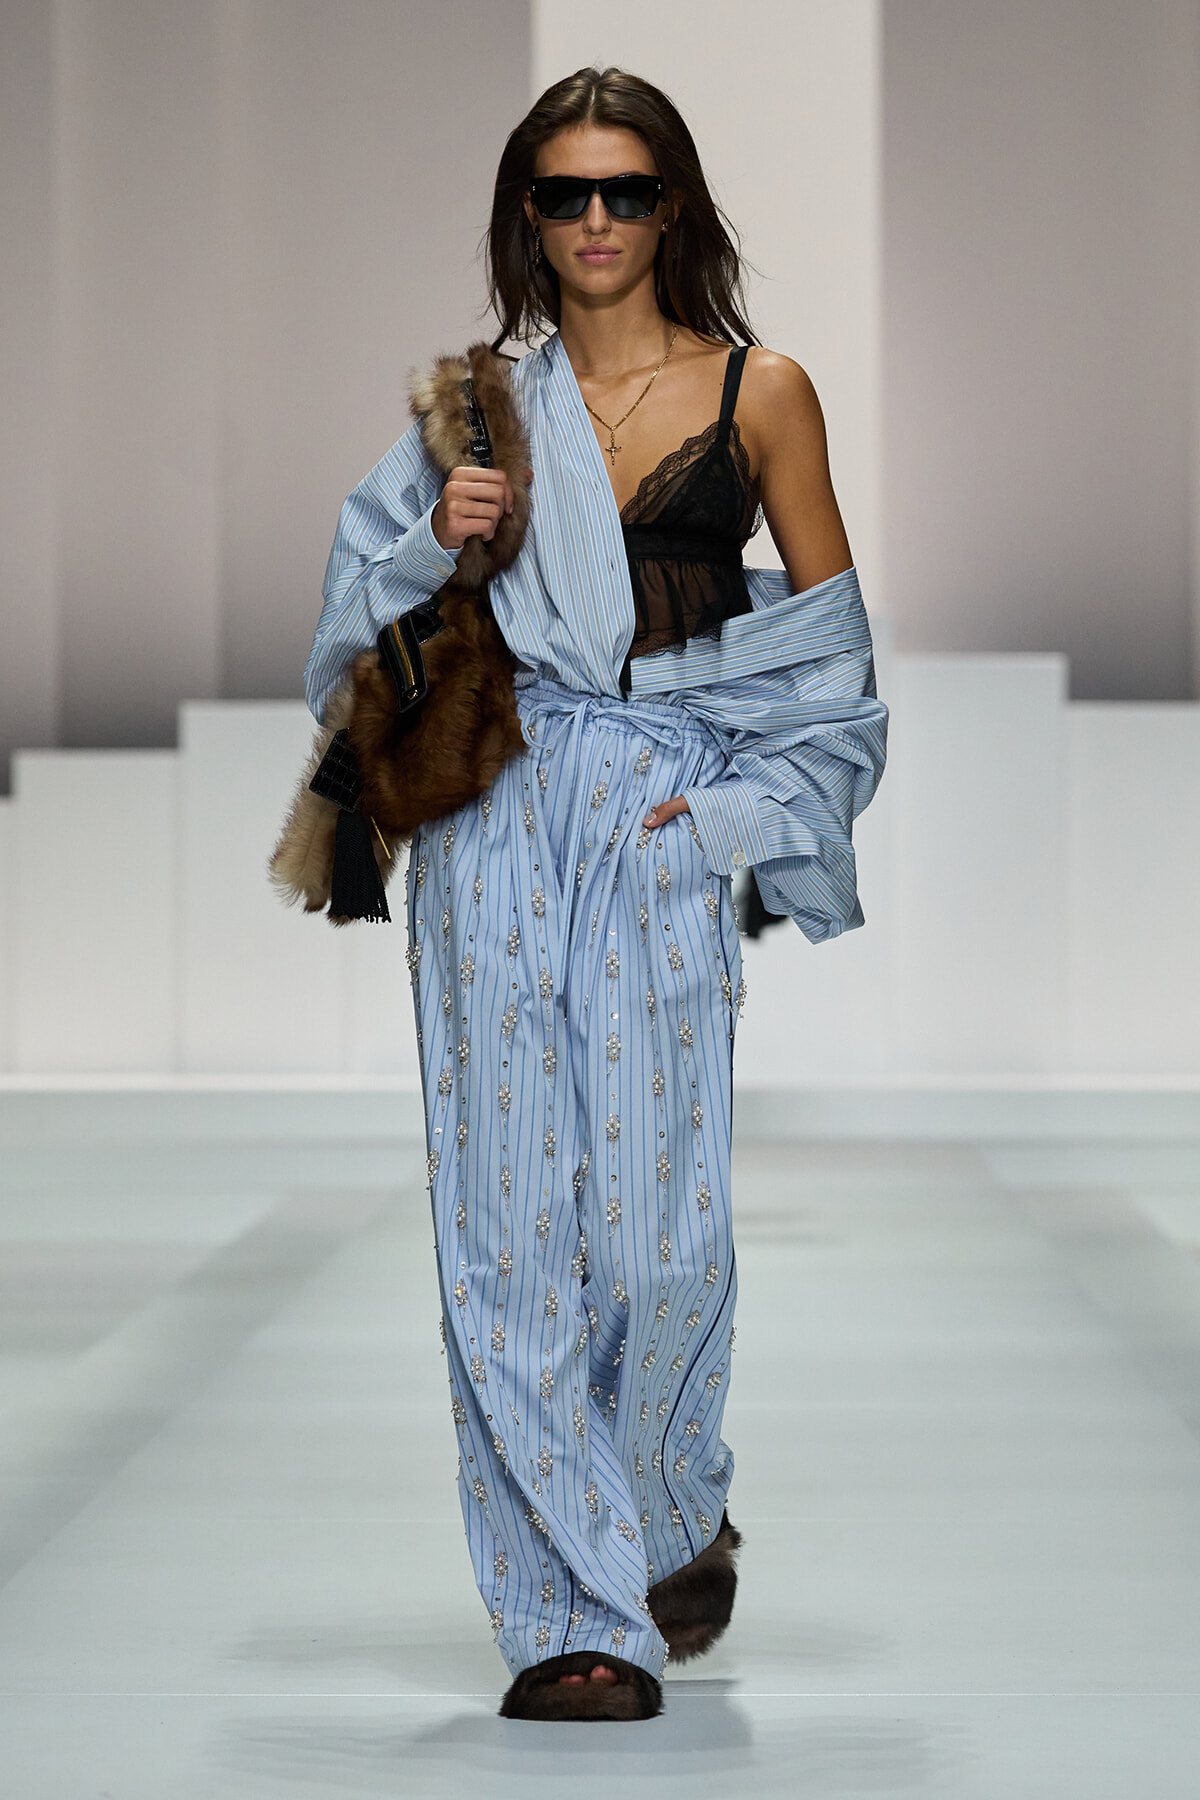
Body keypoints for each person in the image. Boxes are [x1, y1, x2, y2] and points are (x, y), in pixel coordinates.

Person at [304, 66, 887, 1721]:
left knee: (661, 1240)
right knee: (507, 1229)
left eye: (627, 191)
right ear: (526, 217)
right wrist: (438, 539)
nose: (598, 224)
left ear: (676, 203)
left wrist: (731, 816)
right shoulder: (478, 405)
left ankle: (669, 1501)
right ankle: (573, 1609)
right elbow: (346, 642)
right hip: (495, 815)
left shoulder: (761, 391)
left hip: (653, 818)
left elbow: (831, 662)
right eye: (565, 195)